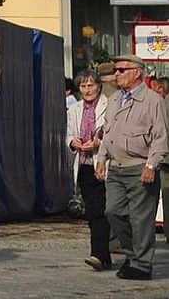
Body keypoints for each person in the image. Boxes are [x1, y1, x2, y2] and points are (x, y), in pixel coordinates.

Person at [94, 54, 168, 281]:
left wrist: (151, 164)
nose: (116, 74)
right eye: (115, 70)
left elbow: (160, 136)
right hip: (117, 167)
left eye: (121, 70)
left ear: (137, 72)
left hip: (140, 166)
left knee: (141, 219)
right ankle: (133, 254)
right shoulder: (115, 99)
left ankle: (142, 265)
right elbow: (108, 132)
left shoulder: (153, 100)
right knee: (113, 211)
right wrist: (101, 159)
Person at [67, 69, 111, 270]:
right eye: (83, 86)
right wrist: (73, 142)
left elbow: (111, 135)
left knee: (100, 210)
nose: (87, 89)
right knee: (93, 211)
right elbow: (68, 135)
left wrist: (97, 143)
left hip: (102, 164)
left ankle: (97, 254)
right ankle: (104, 256)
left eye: (91, 85)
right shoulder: (74, 109)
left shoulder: (109, 105)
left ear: (99, 86)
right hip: (84, 165)